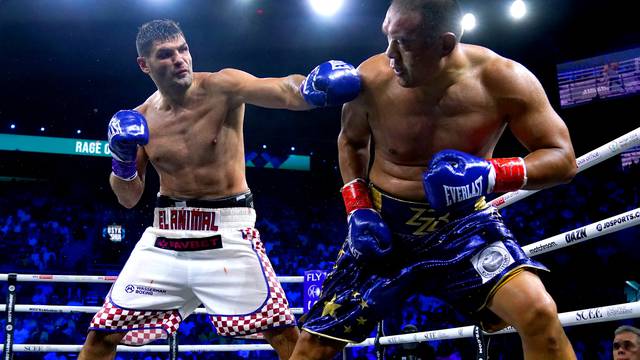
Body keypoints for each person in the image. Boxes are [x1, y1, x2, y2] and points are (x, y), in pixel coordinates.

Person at [290, 0, 578, 359]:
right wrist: (358, 207)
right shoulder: (374, 77)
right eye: (387, 38)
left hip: (462, 225)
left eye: (405, 43)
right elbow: (351, 141)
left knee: (539, 314)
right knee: (311, 349)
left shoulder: (503, 79)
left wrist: (489, 175)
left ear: (445, 44)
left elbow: (563, 160)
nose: (390, 54)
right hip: (384, 227)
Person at [78, 19, 360, 360]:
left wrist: (311, 88)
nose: (180, 59)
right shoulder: (140, 119)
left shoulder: (222, 86)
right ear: (144, 65)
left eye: (183, 49)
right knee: (101, 336)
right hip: (165, 238)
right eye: (165, 55)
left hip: (229, 233)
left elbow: (283, 91)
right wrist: (121, 160)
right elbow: (128, 198)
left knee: (285, 334)